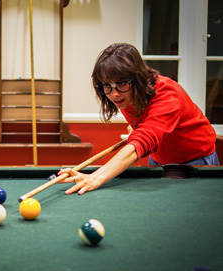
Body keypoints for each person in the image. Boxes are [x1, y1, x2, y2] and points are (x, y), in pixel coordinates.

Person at [58, 43, 220, 195]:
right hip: (158, 158)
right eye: (107, 85)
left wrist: (96, 177)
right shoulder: (127, 94)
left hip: (195, 161)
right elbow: (147, 126)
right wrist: (136, 130)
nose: (114, 94)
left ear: (138, 78)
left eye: (121, 83)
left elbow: (143, 140)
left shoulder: (167, 96)